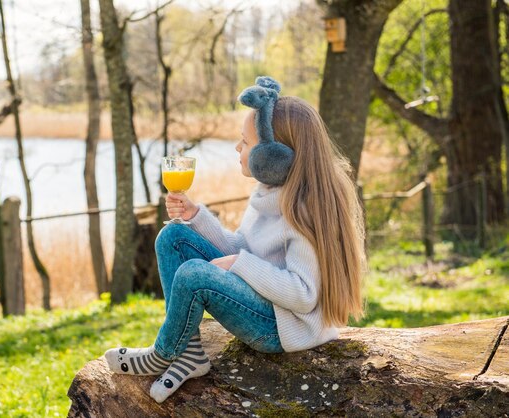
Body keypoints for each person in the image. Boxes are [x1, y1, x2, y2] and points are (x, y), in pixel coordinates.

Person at [104, 76, 366, 403]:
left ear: (274, 156)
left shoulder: (303, 211)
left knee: (194, 274)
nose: (238, 148)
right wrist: (196, 216)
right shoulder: (270, 192)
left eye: (245, 141)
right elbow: (241, 249)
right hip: (263, 304)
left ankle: (164, 352)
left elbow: (303, 295)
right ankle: (189, 353)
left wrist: (240, 264)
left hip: (283, 327)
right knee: (172, 235)